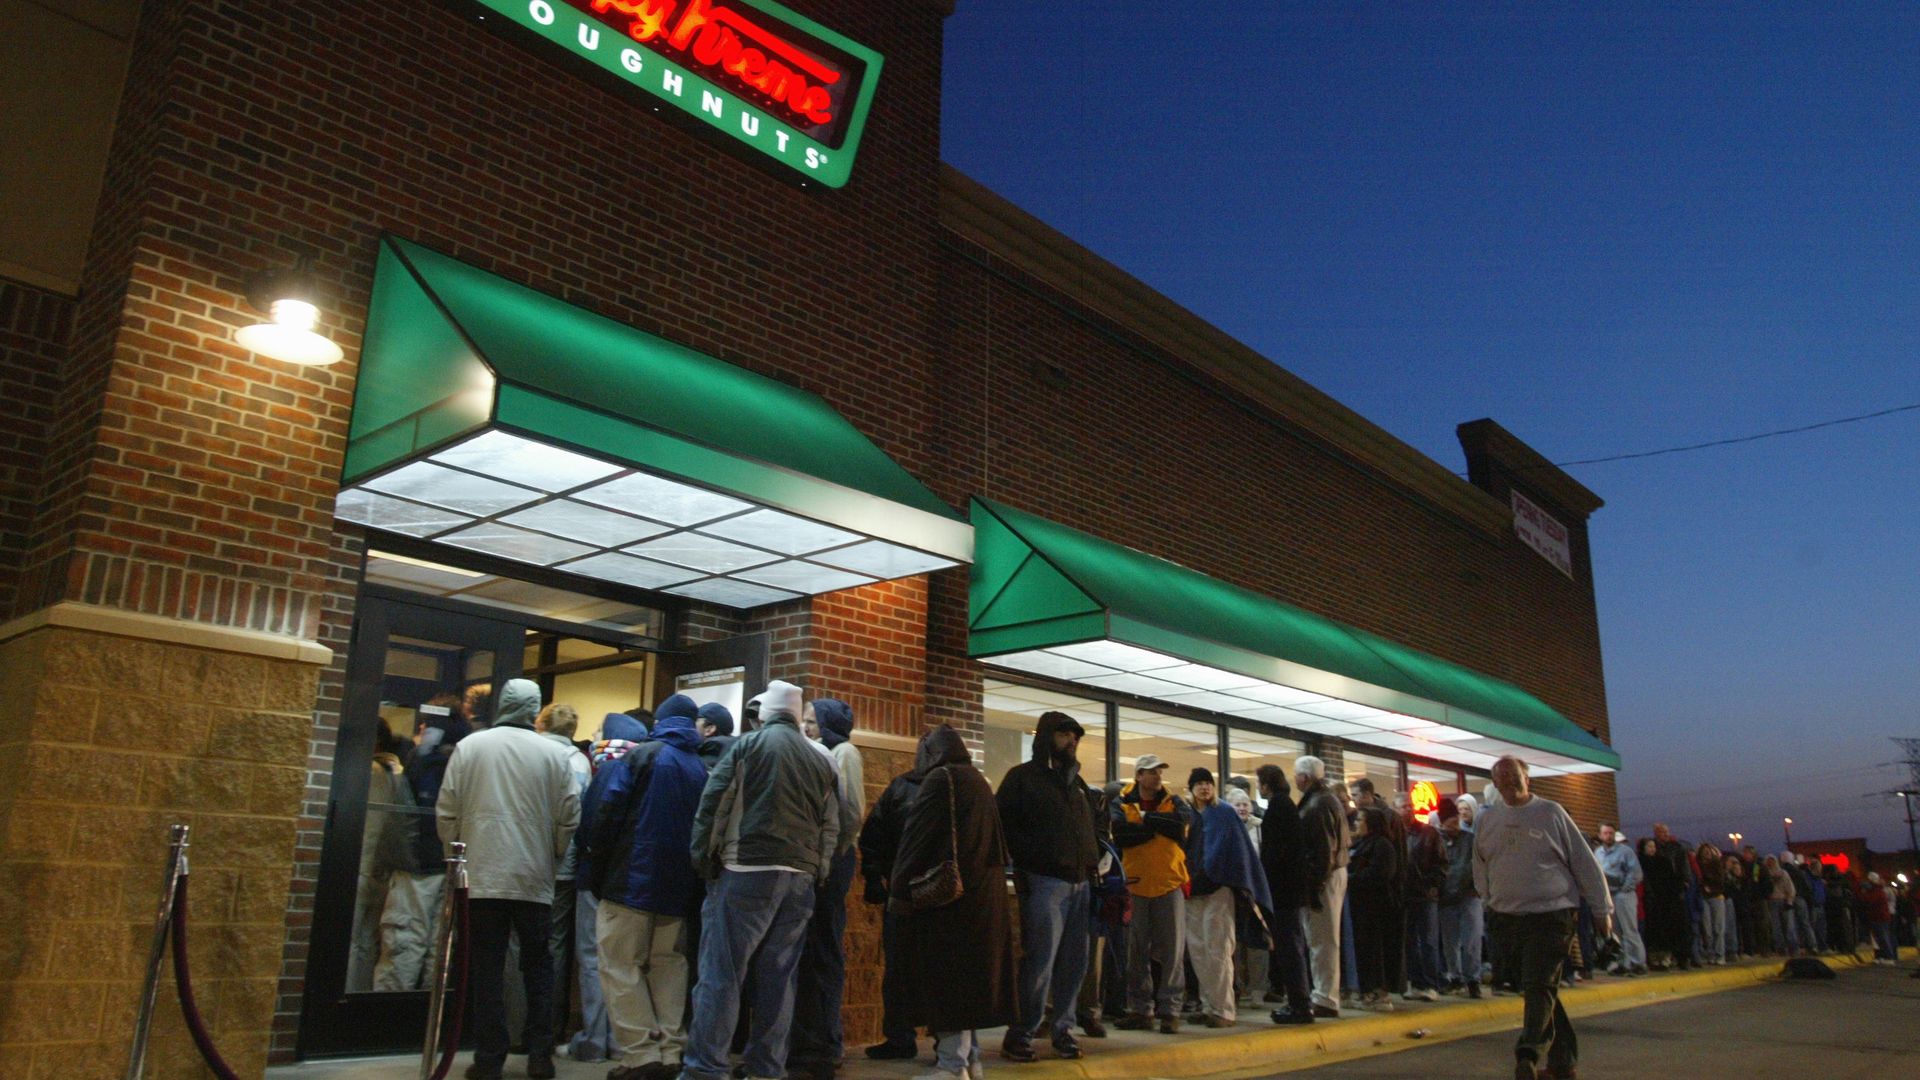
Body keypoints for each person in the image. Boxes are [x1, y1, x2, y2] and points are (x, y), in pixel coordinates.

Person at [679, 681, 839, 1080]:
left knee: (721, 976)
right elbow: (833, 825)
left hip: (745, 869)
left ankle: (705, 1069)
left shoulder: (746, 748)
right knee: (779, 981)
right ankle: (767, 1069)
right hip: (800, 878)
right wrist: (818, 868)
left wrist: (703, 859)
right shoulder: (821, 758)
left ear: (765, 713)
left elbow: (713, 806)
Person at [436, 678, 582, 1080]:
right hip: (534, 878)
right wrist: (551, 851)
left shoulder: (471, 747)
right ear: (534, 708)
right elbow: (569, 813)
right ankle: (540, 1055)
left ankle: (489, 1058)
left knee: (486, 969)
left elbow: (447, 810)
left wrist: (458, 854)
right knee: (539, 967)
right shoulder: (553, 754)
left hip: (481, 874)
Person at [581, 695, 709, 1080]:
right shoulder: (699, 768)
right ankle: (672, 1051)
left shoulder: (643, 756)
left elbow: (603, 814)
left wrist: (595, 869)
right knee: (668, 966)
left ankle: (640, 1054)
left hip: (630, 881)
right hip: (679, 888)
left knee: (620, 965)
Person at [889, 725, 1018, 1080]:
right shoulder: (977, 780)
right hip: (981, 899)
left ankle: (952, 1065)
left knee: (947, 984)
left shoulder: (940, 780)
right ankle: (971, 1060)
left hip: (949, 904)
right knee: (970, 985)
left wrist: (899, 891)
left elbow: (916, 839)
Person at [1473, 756, 1612, 1080]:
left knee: (1538, 983)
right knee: (1538, 987)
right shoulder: (1488, 820)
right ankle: (1563, 1060)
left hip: (1551, 915)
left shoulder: (1551, 813)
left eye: (1515, 777)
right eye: (1502, 779)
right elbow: (1480, 864)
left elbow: (1584, 862)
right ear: (1495, 784)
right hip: (1507, 916)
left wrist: (1602, 909)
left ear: (1527, 779)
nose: (1509, 784)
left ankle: (1528, 1055)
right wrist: (1488, 900)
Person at [995, 711, 1100, 1061]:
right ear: (1045, 737)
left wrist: (1093, 860)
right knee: (1039, 961)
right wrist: (1025, 865)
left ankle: (1064, 1030)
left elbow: (1091, 829)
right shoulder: (1022, 779)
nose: (1071, 740)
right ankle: (1021, 1032)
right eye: (1064, 734)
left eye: (1075, 735)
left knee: (1074, 963)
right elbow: (1002, 828)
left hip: (1080, 883)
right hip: (1044, 881)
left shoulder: (1078, 784)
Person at [565, 713, 651, 1064]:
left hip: (598, 881)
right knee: (628, 964)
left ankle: (596, 1039)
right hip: (631, 884)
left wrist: (591, 867)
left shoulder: (609, 772)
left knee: (593, 960)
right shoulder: (648, 771)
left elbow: (592, 829)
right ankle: (623, 1040)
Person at [789, 698, 866, 1080]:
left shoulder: (844, 752)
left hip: (833, 863)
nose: (806, 727)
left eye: (812, 722)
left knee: (825, 950)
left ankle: (827, 1041)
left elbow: (850, 812)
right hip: (825, 861)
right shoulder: (823, 752)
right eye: (803, 721)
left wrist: (831, 853)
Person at [375, 694, 469, 991]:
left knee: (404, 942)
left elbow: (408, 814)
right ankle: (428, 1021)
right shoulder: (468, 756)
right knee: (440, 949)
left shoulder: (426, 758)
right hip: (455, 865)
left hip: (417, 865)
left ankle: (389, 1023)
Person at [857, 742, 931, 1061]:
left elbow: (874, 834)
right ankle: (905, 1037)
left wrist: (876, 875)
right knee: (903, 968)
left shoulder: (904, 788)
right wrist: (874, 876)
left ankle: (910, 1037)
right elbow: (874, 834)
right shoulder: (905, 787)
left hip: (917, 891)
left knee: (908, 969)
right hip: (913, 892)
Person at [1110, 754, 1191, 1033]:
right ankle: (1140, 1009)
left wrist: (1145, 820)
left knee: (1172, 953)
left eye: (1159, 771)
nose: (1157, 776)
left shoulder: (1176, 801)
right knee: (1136, 953)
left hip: (1170, 884)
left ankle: (1170, 1010)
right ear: (1139, 776)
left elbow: (1181, 824)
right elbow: (1121, 834)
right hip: (1135, 885)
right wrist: (1159, 827)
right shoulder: (1121, 801)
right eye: (1151, 772)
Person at [536, 703, 592, 1038]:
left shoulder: (534, 754)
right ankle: (551, 1025)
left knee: (521, 944)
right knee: (556, 945)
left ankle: (520, 1024)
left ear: (541, 724)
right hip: (566, 866)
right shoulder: (580, 762)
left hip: (533, 860)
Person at [1179, 767, 1240, 1026]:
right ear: (1191, 788)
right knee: (1198, 950)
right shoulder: (1186, 814)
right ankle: (1208, 1004)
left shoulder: (1224, 813)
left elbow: (1234, 851)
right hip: (1192, 889)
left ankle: (1224, 1009)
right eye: (1199, 783)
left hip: (1218, 889)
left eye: (1208, 783)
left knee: (1218, 948)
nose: (1204, 787)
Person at [1254, 765, 1314, 1024]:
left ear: (1266, 784)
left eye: (1259, 783)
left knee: (1289, 948)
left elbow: (1275, 854)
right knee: (1294, 946)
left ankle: (1299, 1005)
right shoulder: (1287, 806)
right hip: (1292, 891)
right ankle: (1301, 1002)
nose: (1258, 787)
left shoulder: (1278, 809)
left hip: (1283, 892)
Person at [1294, 756, 1349, 1018]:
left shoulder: (1317, 805)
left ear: (1304, 777)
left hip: (1325, 877)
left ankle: (1326, 997)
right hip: (1332, 874)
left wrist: (1314, 886)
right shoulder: (1326, 800)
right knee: (1324, 939)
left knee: (1322, 940)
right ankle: (1325, 994)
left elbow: (1324, 850)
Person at [1346, 807, 1403, 1012]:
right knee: (1364, 950)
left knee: (1375, 952)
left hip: (1377, 908)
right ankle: (1366, 990)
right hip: (1361, 908)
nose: (1356, 823)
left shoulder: (1383, 845)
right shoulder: (1361, 844)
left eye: (1360, 819)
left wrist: (1351, 879)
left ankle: (1379, 992)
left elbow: (1380, 874)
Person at [1398, 794, 1446, 1001]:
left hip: (1425, 894)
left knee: (1428, 940)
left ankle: (1431, 983)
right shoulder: (1396, 835)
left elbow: (1442, 862)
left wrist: (1434, 886)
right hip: (1405, 894)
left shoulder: (1429, 833)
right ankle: (1416, 982)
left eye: (1409, 806)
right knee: (1409, 941)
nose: (1407, 810)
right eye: (1402, 807)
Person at [1436, 798, 1482, 998]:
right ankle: (1455, 976)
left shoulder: (1470, 840)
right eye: (1450, 823)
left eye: (1456, 822)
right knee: (1450, 942)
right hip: (1447, 898)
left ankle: (1472, 979)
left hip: (1468, 896)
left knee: (1471, 939)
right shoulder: (1437, 840)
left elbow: (1477, 866)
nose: (1454, 827)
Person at [1594, 824, 1645, 975]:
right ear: (1600, 835)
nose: (1608, 836)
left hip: (1624, 894)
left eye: (1611, 833)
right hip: (1608, 894)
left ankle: (1638, 963)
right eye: (1605, 833)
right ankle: (1623, 962)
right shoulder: (1598, 853)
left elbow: (1635, 873)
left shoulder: (1625, 852)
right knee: (1616, 931)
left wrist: (1625, 888)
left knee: (1629, 929)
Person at [1640, 828, 1691, 969]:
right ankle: (1654, 959)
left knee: (1669, 929)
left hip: (1666, 900)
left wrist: (1683, 885)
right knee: (1652, 931)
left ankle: (1670, 958)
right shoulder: (1640, 862)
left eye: (1653, 846)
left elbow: (1677, 876)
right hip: (1648, 901)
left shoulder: (1668, 857)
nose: (1651, 849)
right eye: (1648, 846)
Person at [1695, 842, 1728, 964]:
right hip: (1704, 898)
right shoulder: (1698, 866)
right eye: (1704, 852)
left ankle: (1720, 955)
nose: (1707, 854)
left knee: (1718, 928)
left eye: (1708, 852)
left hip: (1716, 897)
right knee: (1707, 929)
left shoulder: (1717, 864)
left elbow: (1721, 881)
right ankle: (1711, 954)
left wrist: (1711, 887)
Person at [1860, 872, 1897, 964]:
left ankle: (1889, 956)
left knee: (1883, 938)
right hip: (1875, 917)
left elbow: (1871, 901)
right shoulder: (1875, 890)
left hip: (1881, 918)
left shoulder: (1877, 891)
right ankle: (1880, 956)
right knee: (1877, 940)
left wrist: (1864, 894)